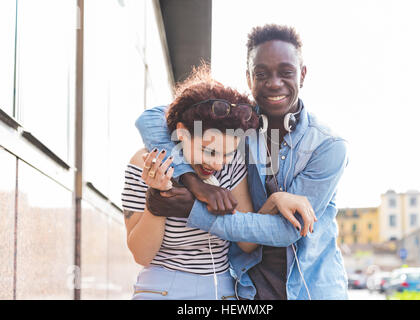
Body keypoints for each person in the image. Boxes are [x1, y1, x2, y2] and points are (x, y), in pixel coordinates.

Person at [136, 24, 349, 300]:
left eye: (286, 72)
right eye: (261, 74)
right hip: (249, 288)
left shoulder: (328, 147)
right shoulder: (239, 126)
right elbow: (151, 118)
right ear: (248, 78)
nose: (274, 83)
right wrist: (193, 182)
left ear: (303, 74)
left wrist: (193, 209)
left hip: (312, 290)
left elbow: (286, 231)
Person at [121, 66, 314, 300]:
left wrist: (275, 200)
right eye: (208, 151)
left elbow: (246, 244)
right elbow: (142, 255)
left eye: (226, 154)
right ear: (181, 135)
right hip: (160, 289)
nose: (218, 164)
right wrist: (157, 200)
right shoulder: (146, 164)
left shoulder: (232, 166)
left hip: (221, 292)